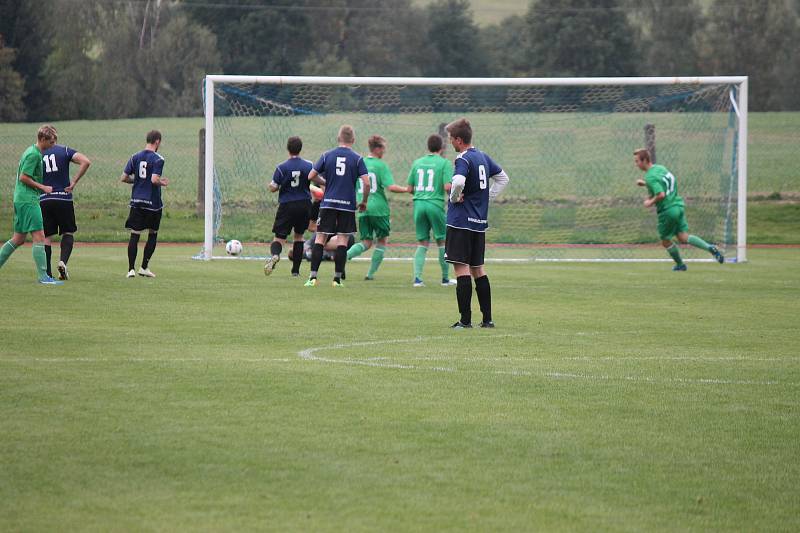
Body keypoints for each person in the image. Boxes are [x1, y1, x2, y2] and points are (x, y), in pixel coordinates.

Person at [444, 118, 509, 329]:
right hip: (479, 222)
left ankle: (465, 321)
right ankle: (487, 319)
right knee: (478, 269)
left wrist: (454, 198)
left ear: (459, 140)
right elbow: (503, 178)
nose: (450, 143)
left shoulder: (463, 159)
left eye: (451, 139)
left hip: (460, 222)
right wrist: (486, 197)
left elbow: (459, 182)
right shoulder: (483, 156)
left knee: (461, 269)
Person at [634, 148, 724, 270]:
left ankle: (680, 265)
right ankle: (710, 247)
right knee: (683, 237)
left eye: (637, 161)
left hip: (667, 211)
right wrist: (645, 183)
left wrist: (649, 202)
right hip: (678, 206)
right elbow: (663, 182)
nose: (636, 164)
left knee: (665, 241)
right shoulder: (660, 168)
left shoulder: (650, 177)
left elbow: (661, 194)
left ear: (644, 160)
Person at [305, 125, 370, 287]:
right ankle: (337, 279)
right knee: (342, 240)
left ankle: (313, 278)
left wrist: (324, 182)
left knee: (320, 238)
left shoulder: (327, 156)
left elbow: (311, 176)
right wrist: (364, 202)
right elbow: (367, 183)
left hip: (328, 203)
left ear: (338, 138)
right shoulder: (357, 159)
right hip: (347, 205)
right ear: (353, 140)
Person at [0, 124, 62, 284]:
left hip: (21, 199)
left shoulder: (32, 152)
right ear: (42, 139)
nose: (53, 145)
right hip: (28, 200)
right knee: (39, 236)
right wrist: (43, 188)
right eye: (51, 142)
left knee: (18, 239)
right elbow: (24, 177)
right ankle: (43, 276)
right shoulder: (34, 155)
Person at [346, 135, 408, 280]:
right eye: (383, 148)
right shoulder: (381, 165)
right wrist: (407, 189)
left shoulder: (359, 163)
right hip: (379, 209)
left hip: (363, 208)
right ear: (377, 148)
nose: (384, 152)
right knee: (382, 240)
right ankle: (370, 274)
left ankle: (344, 256)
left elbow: (353, 186)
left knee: (366, 242)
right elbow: (391, 187)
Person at [406, 133, 456, 287]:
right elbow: (447, 187)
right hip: (435, 204)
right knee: (442, 241)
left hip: (419, 204)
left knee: (422, 243)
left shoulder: (417, 163)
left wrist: (422, 196)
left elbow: (409, 188)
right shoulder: (444, 163)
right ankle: (445, 279)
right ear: (441, 148)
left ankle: (417, 279)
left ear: (428, 147)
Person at [40, 137, 92, 280]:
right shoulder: (64, 150)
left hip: (44, 198)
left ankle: (47, 273)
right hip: (63, 197)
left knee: (46, 236)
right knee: (68, 232)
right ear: (55, 138)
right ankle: (63, 262)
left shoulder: (38, 153)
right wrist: (74, 181)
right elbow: (86, 161)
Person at [120, 130, 168, 278]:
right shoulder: (158, 159)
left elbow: (123, 177)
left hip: (136, 202)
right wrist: (162, 182)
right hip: (152, 204)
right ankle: (144, 267)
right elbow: (154, 180)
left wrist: (138, 181)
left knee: (135, 235)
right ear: (157, 141)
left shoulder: (135, 157)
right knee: (152, 234)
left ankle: (130, 270)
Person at [264, 136, 313, 277]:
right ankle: (295, 271)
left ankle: (275, 255)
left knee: (279, 238)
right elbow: (313, 178)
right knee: (299, 237)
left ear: (288, 149)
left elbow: (274, 187)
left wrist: (272, 186)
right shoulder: (308, 165)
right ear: (300, 148)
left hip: (287, 205)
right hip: (304, 204)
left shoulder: (281, 167)